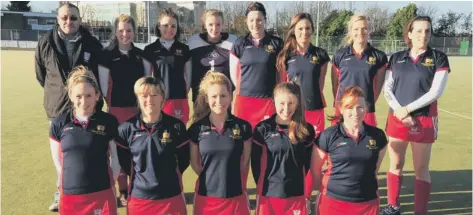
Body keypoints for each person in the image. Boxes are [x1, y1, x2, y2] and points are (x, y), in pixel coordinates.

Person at [34, 2, 104, 211]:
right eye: (64, 17)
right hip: (58, 108)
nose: (69, 21)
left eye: (73, 18)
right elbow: (41, 75)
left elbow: (100, 75)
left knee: (88, 152)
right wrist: (59, 94)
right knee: (61, 156)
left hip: (87, 108)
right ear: (58, 19)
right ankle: (61, 192)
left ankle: (91, 192)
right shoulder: (45, 42)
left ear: (79, 20)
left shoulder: (92, 43)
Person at [381, 16, 450, 215]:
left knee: (421, 168)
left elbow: (435, 92)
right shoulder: (396, 58)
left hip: (424, 120)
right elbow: (388, 89)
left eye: (427, 31)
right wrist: (400, 112)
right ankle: (393, 206)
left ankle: (421, 211)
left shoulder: (438, 58)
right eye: (419, 31)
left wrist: (408, 110)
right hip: (397, 118)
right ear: (409, 34)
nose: (423, 35)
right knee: (396, 164)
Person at [98, 14, 153, 207]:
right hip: (116, 110)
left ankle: (137, 186)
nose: (125, 34)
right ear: (115, 31)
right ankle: (122, 189)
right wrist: (112, 106)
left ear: (134, 32)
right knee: (119, 151)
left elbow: (147, 83)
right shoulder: (106, 55)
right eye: (121, 30)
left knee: (137, 150)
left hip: (138, 111)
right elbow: (104, 88)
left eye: (129, 30)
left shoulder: (141, 55)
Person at [275, 13, 330, 204]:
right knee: (297, 156)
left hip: (316, 112)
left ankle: (309, 197)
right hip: (295, 115)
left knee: (316, 158)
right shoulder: (285, 56)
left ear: (312, 30)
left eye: (307, 28)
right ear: (294, 31)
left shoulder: (321, 55)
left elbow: (320, 86)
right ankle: (299, 196)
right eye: (300, 29)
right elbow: (283, 88)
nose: (304, 32)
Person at [49, 65, 120, 215]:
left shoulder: (109, 121)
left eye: (88, 95)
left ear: (97, 95)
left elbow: (116, 159)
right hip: (70, 195)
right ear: (70, 96)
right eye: (78, 96)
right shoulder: (59, 123)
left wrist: (110, 182)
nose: (83, 101)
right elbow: (58, 161)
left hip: (102, 193)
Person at [115, 76, 190, 215]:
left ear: (162, 97)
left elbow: (184, 160)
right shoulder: (125, 129)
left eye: (154, 95)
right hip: (140, 199)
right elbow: (125, 164)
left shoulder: (176, 126)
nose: (149, 100)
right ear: (137, 97)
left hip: (171, 198)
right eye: (144, 95)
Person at [311, 86, 387, 215]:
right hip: (333, 202)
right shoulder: (328, 136)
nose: (355, 112)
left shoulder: (378, 136)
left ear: (367, 108)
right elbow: (314, 169)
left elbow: (373, 169)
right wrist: (328, 189)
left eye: (360, 107)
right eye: (349, 107)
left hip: (367, 202)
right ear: (341, 109)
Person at [189, 72, 252, 215]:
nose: (219, 101)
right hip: (206, 199)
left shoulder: (243, 127)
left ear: (230, 96)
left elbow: (245, 162)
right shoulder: (196, 129)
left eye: (223, 96)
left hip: (236, 197)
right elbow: (195, 165)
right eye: (214, 96)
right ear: (206, 99)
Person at [251, 82, 315, 215]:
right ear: (274, 101)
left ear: (297, 103)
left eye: (291, 103)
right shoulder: (262, 129)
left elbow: (306, 164)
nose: (286, 108)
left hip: (296, 193)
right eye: (282, 103)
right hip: (268, 193)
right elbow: (255, 164)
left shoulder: (306, 130)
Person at [229, 1, 283, 129]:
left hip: (268, 101)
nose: (255, 24)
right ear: (246, 21)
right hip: (244, 101)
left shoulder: (277, 43)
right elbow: (233, 75)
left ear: (265, 20)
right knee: (244, 139)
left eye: (259, 20)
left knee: (267, 139)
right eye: (251, 20)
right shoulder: (239, 43)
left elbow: (282, 73)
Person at [331, 14, 387, 127]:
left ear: (369, 30)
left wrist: (364, 106)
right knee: (339, 143)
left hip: (366, 110)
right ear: (350, 31)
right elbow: (335, 86)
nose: (360, 32)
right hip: (343, 109)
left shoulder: (379, 57)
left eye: (364, 28)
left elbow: (377, 89)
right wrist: (342, 105)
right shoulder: (340, 55)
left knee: (367, 143)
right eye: (356, 29)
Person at [144, 8, 191, 125]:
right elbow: (146, 79)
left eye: (173, 26)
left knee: (179, 134)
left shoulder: (185, 50)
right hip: (159, 99)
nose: (169, 29)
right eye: (165, 25)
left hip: (179, 99)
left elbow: (188, 78)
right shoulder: (150, 50)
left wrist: (184, 93)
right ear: (159, 26)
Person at [188, 9, 237, 103]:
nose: (214, 28)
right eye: (210, 24)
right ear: (205, 25)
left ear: (223, 25)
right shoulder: (194, 42)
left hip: (222, 97)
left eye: (218, 24)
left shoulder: (232, 42)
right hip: (201, 96)